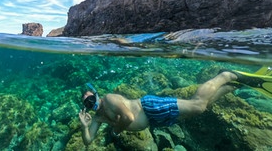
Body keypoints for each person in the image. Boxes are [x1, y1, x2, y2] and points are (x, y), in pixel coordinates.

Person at [78, 68, 272, 145]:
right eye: (87, 103)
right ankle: (232, 86)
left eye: (92, 98)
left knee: (197, 106)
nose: (92, 103)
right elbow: (88, 141)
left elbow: (128, 118)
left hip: (150, 108)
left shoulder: (110, 99)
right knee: (198, 109)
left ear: (97, 94)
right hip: (154, 120)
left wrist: (115, 130)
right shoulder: (97, 118)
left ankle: (226, 75)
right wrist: (85, 127)